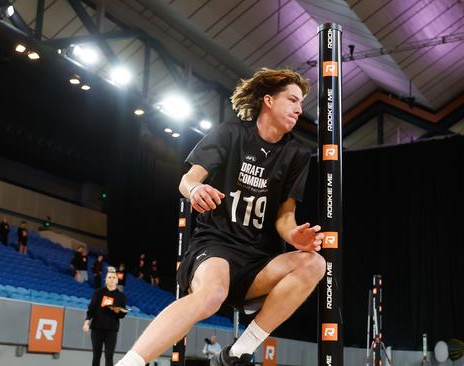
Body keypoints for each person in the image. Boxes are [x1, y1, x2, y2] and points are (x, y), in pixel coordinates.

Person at [115, 68, 325, 366]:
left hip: (258, 260)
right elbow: (187, 180)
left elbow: (284, 215)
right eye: (292, 99)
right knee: (212, 295)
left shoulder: (298, 154)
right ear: (268, 100)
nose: (298, 108)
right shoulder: (231, 133)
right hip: (216, 245)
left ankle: (241, 349)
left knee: (314, 263)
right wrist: (196, 190)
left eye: (301, 103)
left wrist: (294, 236)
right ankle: (130, 363)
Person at [84, 266, 127, 366]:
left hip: (111, 330)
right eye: (109, 278)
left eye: (113, 278)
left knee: (109, 356)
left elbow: (122, 315)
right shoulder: (98, 292)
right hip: (97, 328)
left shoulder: (121, 296)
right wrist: (86, 323)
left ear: (117, 280)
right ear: (105, 280)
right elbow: (91, 310)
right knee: (96, 355)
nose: (111, 280)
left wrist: (117, 311)